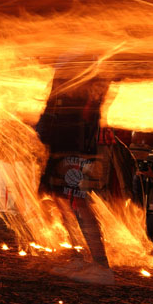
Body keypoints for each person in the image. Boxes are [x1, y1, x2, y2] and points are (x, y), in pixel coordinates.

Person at [38, 75, 115, 285]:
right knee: (61, 198)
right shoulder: (66, 64)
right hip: (61, 140)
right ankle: (79, 258)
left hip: (77, 143)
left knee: (78, 200)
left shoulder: (86, 62)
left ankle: (101, 266)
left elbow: (95, 95)